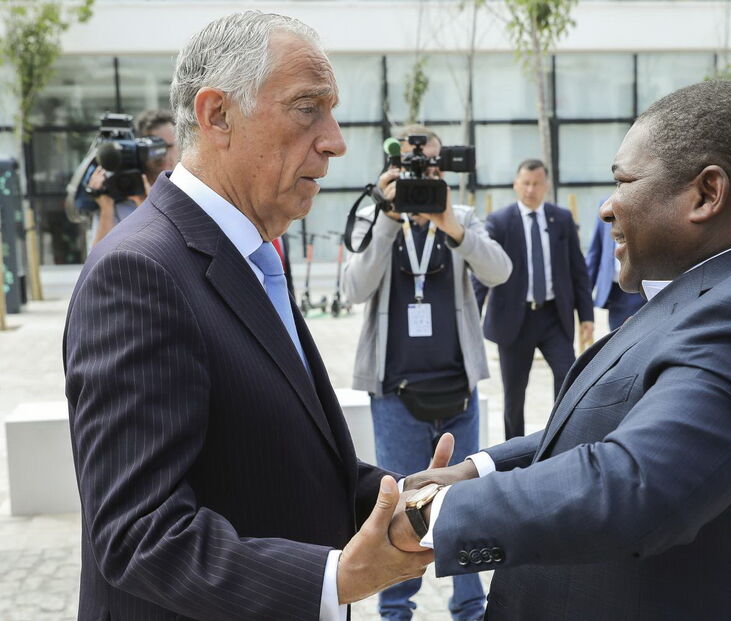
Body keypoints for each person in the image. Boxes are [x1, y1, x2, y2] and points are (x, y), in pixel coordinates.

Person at [389, 80, 731, 620]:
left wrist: (433, 513)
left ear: (706, 194)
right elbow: (609, 427)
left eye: (624, 181)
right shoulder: (716, 293)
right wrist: (478, 470)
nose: (607, 208)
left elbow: (635, 483)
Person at [64, 12, 436, 620]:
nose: (336, 140)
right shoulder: (140, 272)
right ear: (217, 116)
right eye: (307, 107)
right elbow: (138, 532)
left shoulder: (249, 251)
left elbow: (277, 459)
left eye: (332, 110)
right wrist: (333, 577)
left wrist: (400, 500)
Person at [342, 124, 511, 621]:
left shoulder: (459, 219)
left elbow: (498, 271)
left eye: (432, 165)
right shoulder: (377, 218)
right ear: (390, 169)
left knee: (463, 505)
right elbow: (353, 288)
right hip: (396, 392)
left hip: (457, 392)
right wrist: (390, 218)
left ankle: (469, 608)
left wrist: (448, 222)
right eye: (414, 166)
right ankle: (396, 611)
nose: (423, 173)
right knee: (398, 504)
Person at [474, 159, 594, 439]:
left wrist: (586, 316)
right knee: (514, 396)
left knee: (569, 379)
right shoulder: (499, 222)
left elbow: (578, 270)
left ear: (546, 186)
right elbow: (483, 271)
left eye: (536, 183)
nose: (530, 189)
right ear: (516, 185)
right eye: (525, 183)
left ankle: (561, 442)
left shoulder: (561, 219)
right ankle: (513, 455)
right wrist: (471, 314)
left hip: (554, 316)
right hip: (515, 320)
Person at [88, 109, 179, 246]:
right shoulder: (118, 191)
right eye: (155, 146)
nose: (162, 154)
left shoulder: (186, 191)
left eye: (168, 146)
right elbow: (96, 260)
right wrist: (107, 209)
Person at [586, 205, 645, 331]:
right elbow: (595, 252)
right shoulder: (606, 206)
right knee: (617, 338)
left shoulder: (643, 199)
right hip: (615, 291)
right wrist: (584, 298)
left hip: (642, 287)